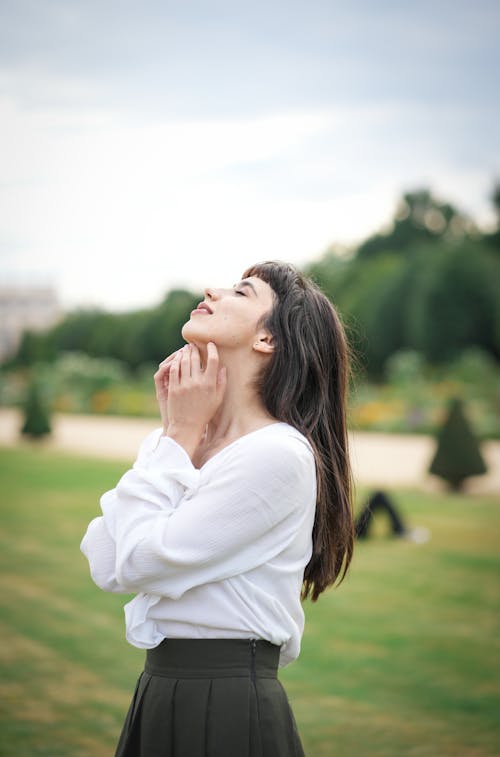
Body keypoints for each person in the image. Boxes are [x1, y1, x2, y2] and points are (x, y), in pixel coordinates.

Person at [81, 261, 354, 757]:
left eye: (241, 292)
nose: (212, 289)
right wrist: (176, 435)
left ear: (267, 339)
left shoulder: (279, 454)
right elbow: (104, 561)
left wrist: (178, 437)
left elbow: (139, 560)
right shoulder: (180, 440)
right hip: (160, 687)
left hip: (227, 700)